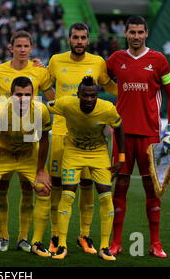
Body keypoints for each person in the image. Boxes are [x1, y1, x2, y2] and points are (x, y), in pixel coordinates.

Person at [106, 15, 170, 258]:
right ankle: (116, 242)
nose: (136, 36)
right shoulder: (116, 60)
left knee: (152, 190)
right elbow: (97, 77)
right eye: (132, 32)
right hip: (122, 135)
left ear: (146, 33)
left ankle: (155, 243)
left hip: (150, 136)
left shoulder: (158, 60)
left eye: (140, 32)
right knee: (120, 189)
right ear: (125, 33)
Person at [47, 23, 118, 254]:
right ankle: (56, 236)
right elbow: (45, 84)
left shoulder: (98, 62)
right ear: (69, 39)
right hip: (60, 131)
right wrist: (57, 106)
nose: (79, 41)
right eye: (75, 37)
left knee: (87, 185)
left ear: (88, 40)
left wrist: (136, 91)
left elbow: (109, 86)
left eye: (83, 38)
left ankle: (84, 235)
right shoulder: (56, 60)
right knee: (58, 185)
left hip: (89, 137)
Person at [0, 30, 55, 253]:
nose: (23, 50)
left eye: (27, 46)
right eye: (19, 46)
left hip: (29, 136)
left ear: (31, 48)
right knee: (0, 186)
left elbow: (53, 97)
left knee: (30, 187)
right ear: (11, 48)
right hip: (5, 134)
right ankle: (3, 237)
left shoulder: (39, 71)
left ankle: (26, 238)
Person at [48, 76, 125, 261]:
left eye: (93, 96)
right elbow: (45, 104)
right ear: (78, 95)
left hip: (98, 154)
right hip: (72, 153)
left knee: (106, 198)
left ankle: (104, 247)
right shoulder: (67, 104)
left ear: (97, 95)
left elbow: (120, 128)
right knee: (67, 196)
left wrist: (120, 158)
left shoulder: (106, 108)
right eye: (85, 95)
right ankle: (62, 244)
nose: (89, 99)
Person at [0, 76, 52, 257]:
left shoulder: (41, 110)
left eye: (27, 95)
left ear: (33, 95)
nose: (23, 99)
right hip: (2, 153)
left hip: (28, 153)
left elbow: (43, 140)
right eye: (18, 95)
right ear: (10, 95)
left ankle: (31, 241)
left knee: (42, 188)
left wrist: (41, 171)